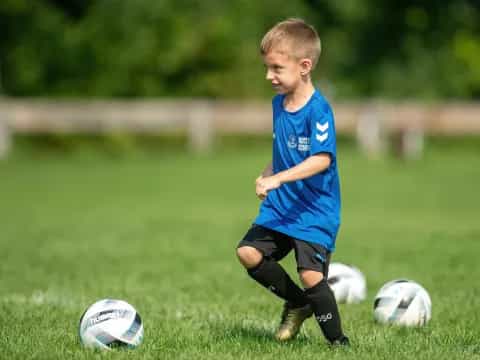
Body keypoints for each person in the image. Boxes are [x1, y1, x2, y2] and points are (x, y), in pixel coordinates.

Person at [236, 18, 349, 346]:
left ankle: (338, 343)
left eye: (276, 68)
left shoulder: (319, 111)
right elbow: (283, 151)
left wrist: (278, 180)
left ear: (304, 66)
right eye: (267, 67)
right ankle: (298, 303)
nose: (269, 76)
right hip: (283, 206)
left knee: (311, 275)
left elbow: (320, 159)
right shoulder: (278, 105)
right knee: (248, 253)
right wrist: (268, 173)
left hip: (315, 210)